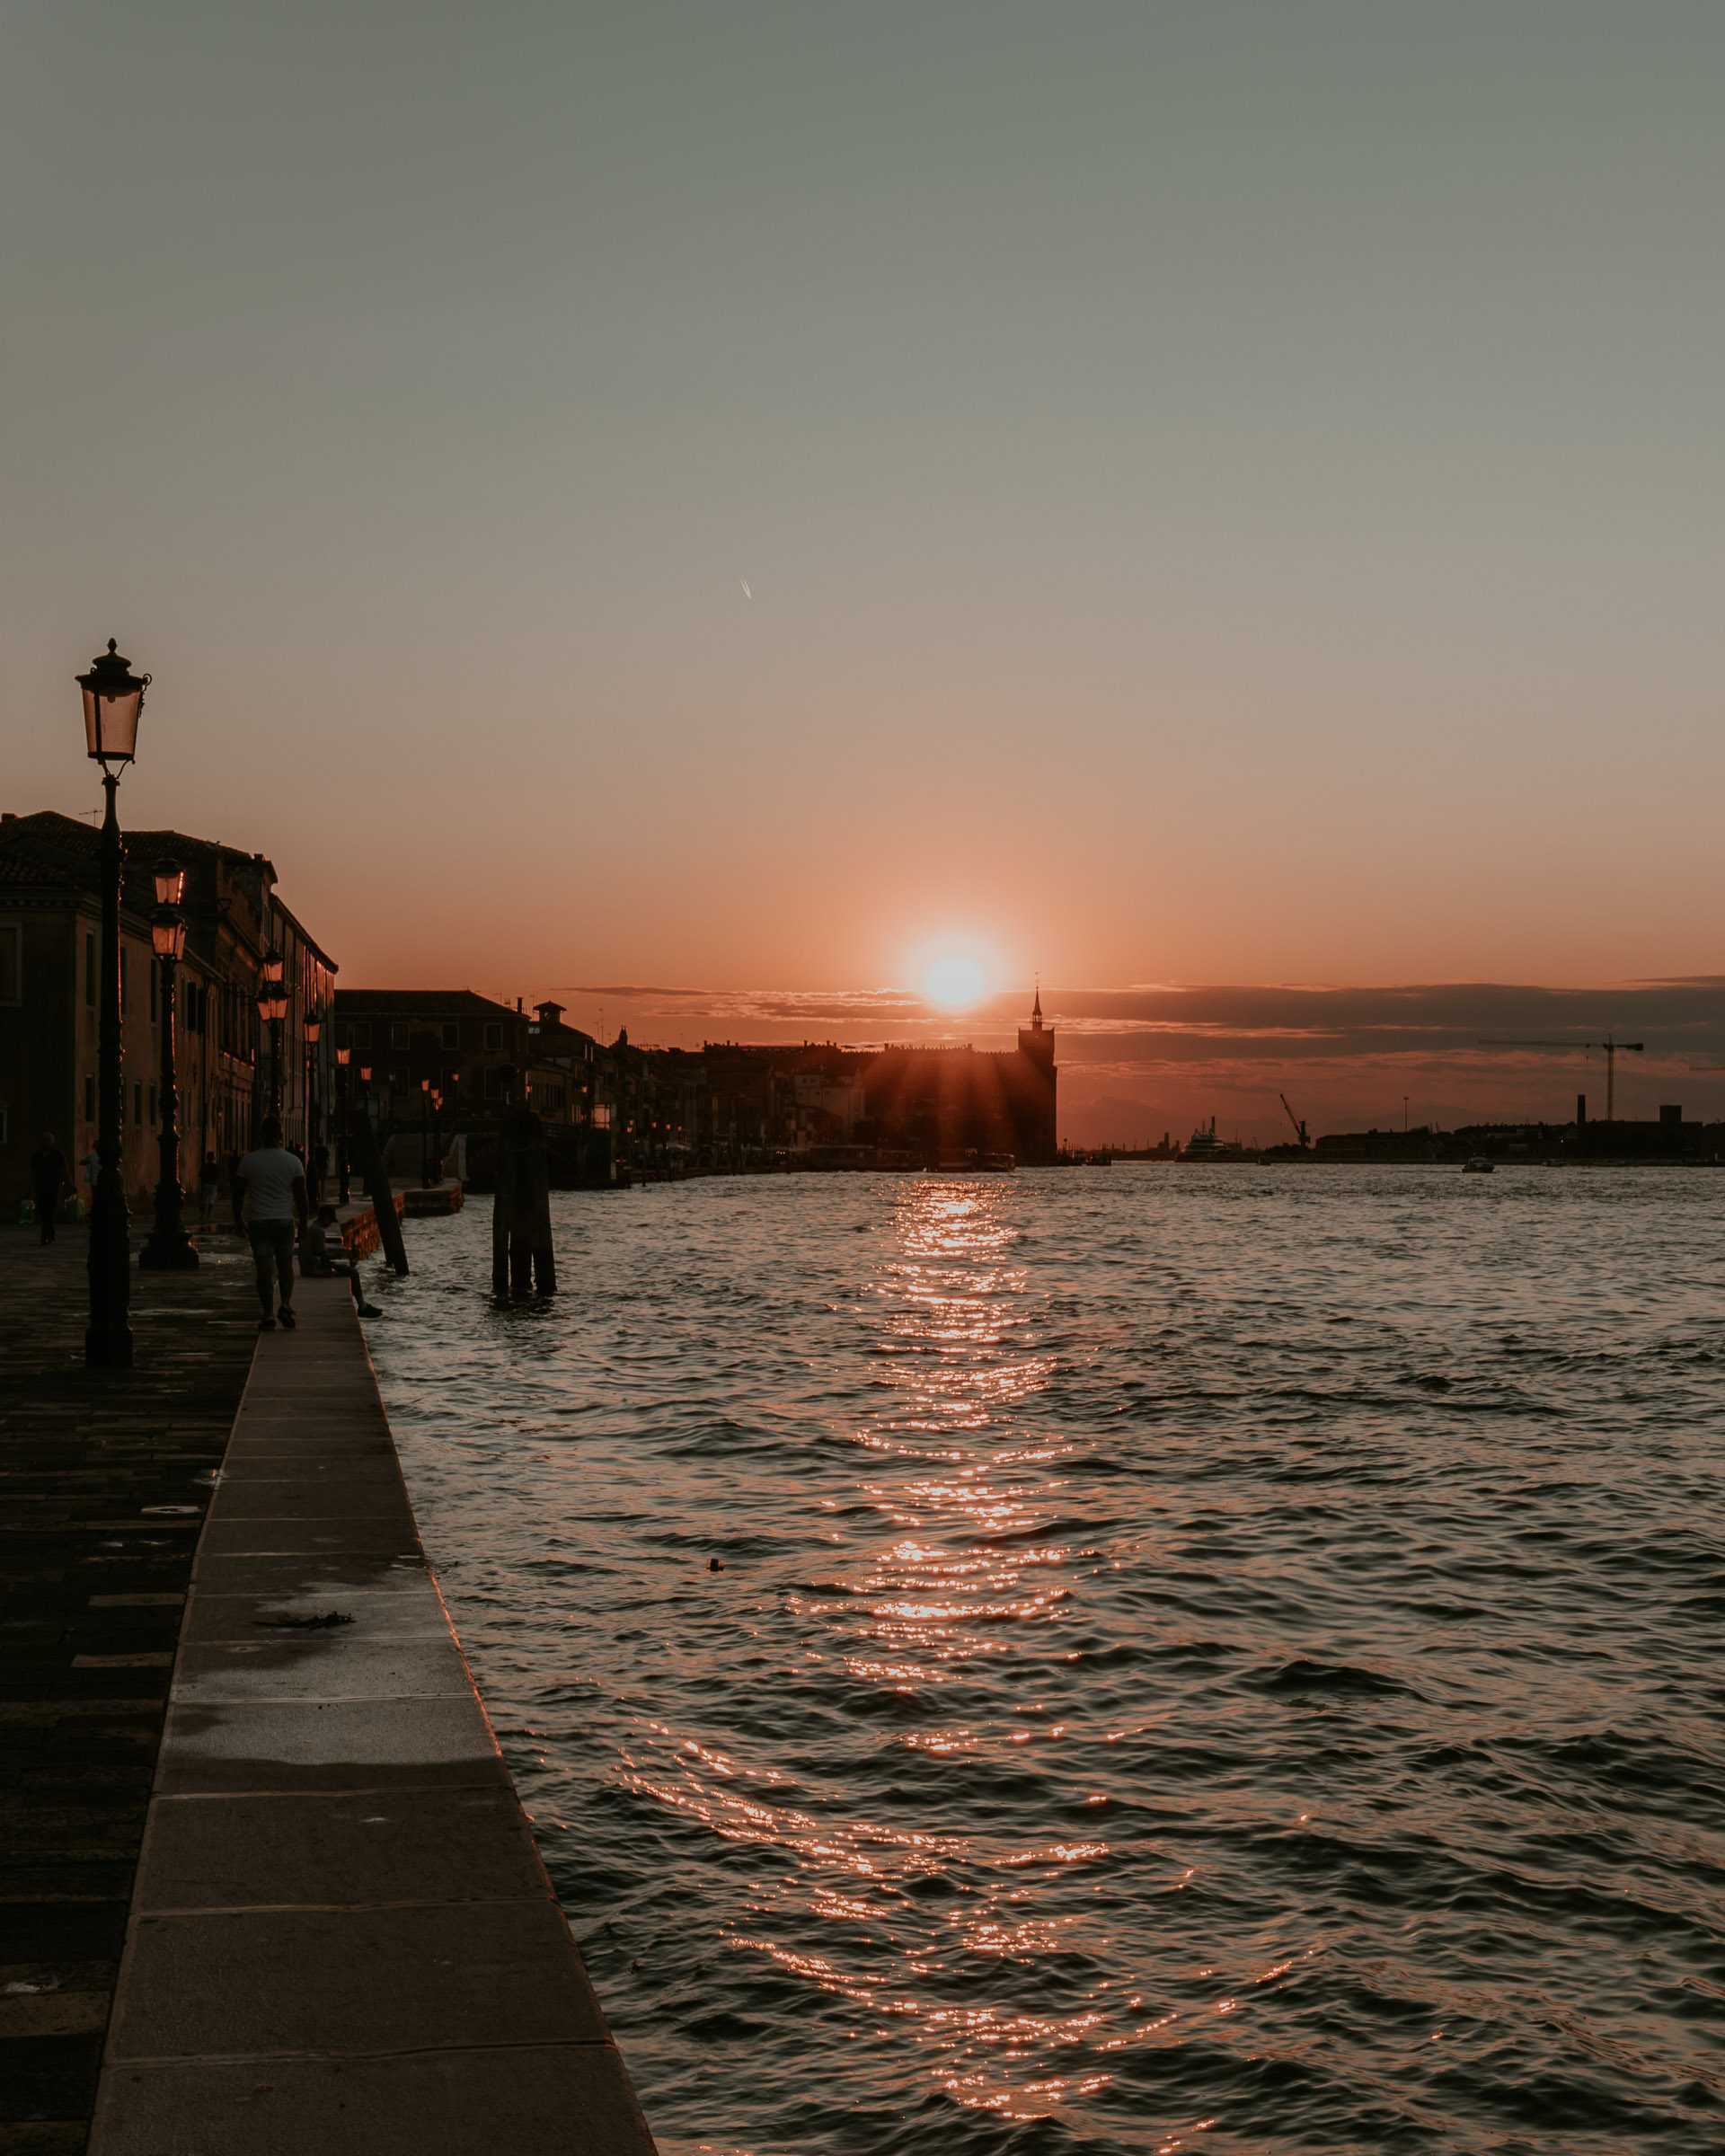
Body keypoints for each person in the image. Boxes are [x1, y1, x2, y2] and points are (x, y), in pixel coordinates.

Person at [233, 1117, 309, 1330]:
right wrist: (303, 1223)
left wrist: (238, 1219)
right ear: (281, 1136)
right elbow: (302, 1197)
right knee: (285, 1267)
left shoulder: (248, 1161)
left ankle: (267, 1314)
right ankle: (285, 1304)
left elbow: (237, 1194)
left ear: (261, 1135)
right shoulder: (293, 1162)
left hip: (258, 1222)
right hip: (284, 1222)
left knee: (264, 1270)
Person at [30, 1133, 70, 1245]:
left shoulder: (57, 1155)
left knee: (51, 1210)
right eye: (44, 1140)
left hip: (54, 1186)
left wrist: (67, 1183)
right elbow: (33, 1172)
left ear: (52, 1142)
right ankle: (47, 1233)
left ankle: (46, 1234)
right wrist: (32, 1188)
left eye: (48, 1140)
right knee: (43, 1211)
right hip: (40, 1186)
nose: (46, 1142)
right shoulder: (36, 1156)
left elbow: (64, 1169)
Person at [197, 1152, 221, 1229]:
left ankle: (202, 1215)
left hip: (206, 1184)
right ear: (213, 1158)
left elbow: (200, 1175)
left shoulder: (204, 1166)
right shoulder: (215, 1166)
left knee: (204, 1200)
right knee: (211, 1200)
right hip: (213, 1185)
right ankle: (208, 1215)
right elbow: (218, 1176)